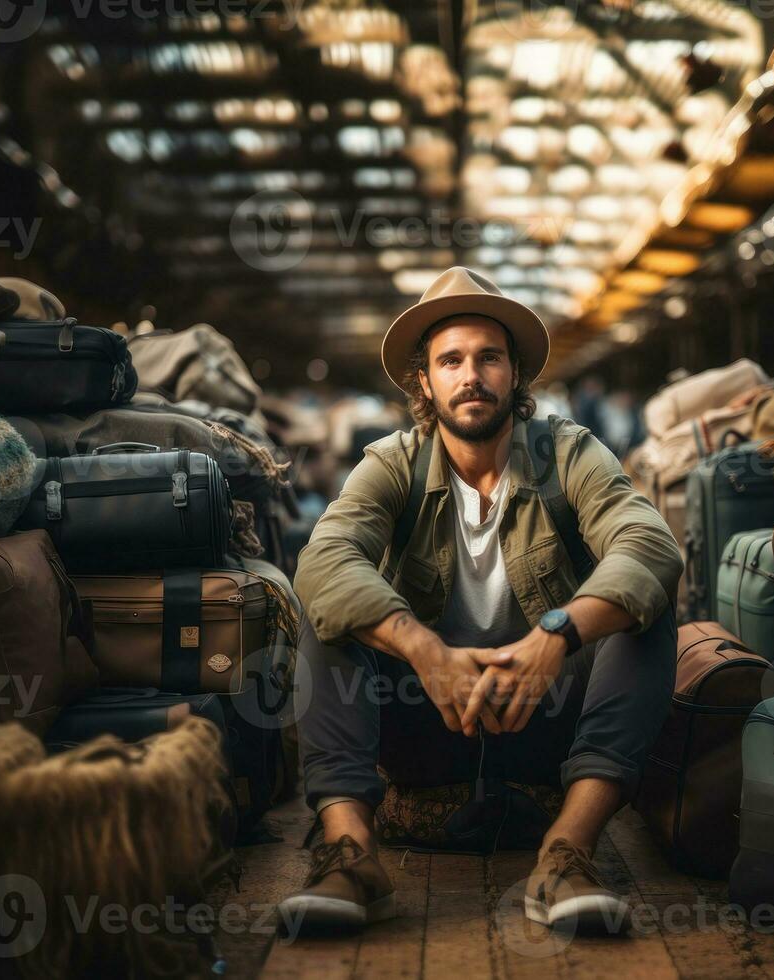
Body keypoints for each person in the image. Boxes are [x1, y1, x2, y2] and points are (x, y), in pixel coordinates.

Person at [284, 267, 680, 935]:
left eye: (488, 357)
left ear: (514, 373)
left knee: (645, 606)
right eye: (451, 360)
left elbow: (647, 544)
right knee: (327, 609)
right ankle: (351, 855)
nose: (471, 374)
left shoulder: (567, 452)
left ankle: (567, 851)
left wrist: (555, 635)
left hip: (544, 718)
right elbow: (324, 560)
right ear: (424, 381)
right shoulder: (392, 463)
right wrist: (422, 648)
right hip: (426, 717)